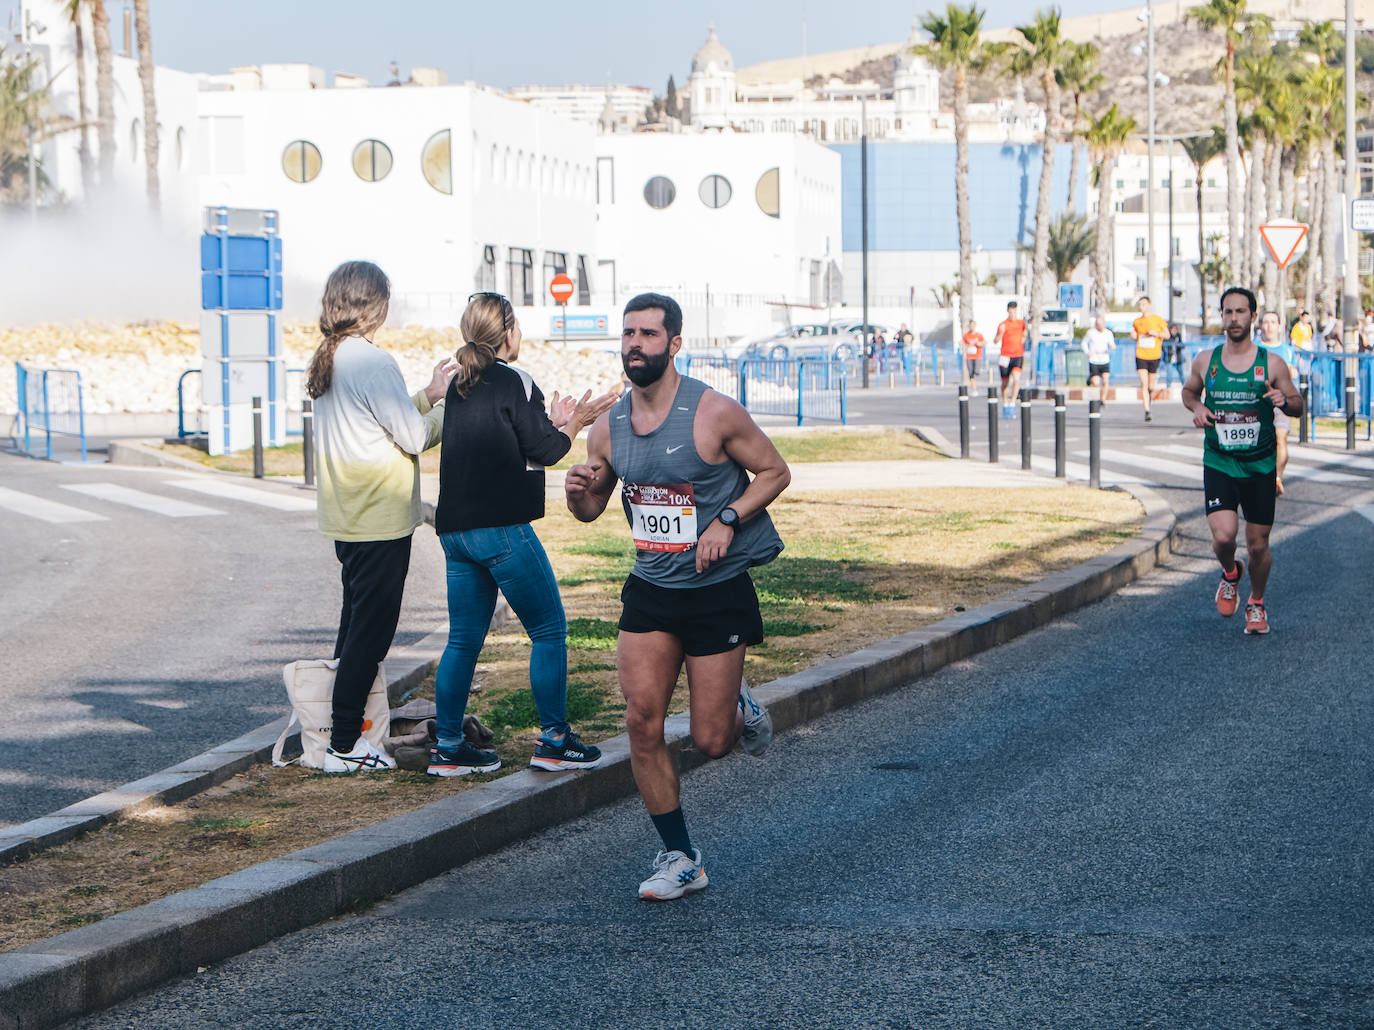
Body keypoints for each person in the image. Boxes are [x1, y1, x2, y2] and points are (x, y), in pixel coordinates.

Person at [564, 292, 790, 901]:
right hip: (651, 588)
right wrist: (578, 491)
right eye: (628, 333)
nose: (634, 344)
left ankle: (737, 706)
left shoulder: (714, 412)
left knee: (713, 741)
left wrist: (728, 521)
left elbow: (774, 472)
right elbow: (590, 510)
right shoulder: (609, 425)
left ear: (674, 343)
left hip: (716, 591)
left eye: (648, 334)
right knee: (642, 721)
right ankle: (681, 855)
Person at [428, 292, 618, 777]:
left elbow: (515, 443)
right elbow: (548, 450)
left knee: (463, 641)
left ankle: (448, 746)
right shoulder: (517, 379)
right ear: (509, 332)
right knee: (550, 629)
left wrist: (553, 425)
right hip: (501, 529)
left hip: (455, 532)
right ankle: (555, 740)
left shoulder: (459, 385)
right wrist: (575, 422)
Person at [307, 260, 454, 773]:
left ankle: (336, 732)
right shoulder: (373, 360)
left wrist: (428, 395)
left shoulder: (332, 357)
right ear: (377, 305)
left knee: (354, 631)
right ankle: (345, 746)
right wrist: (447, 407)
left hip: (348, 518)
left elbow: (380, 418)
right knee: (370, 636)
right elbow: (413, 437)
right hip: (379, 518)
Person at [1181, 286, 1302, 636]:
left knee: (1258, 544)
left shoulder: (1273, 364)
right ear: (1222, 317)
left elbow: (1298, 404)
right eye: (1228, 312)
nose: (1235, 318)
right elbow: (1189, 391)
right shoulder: (1207, 360)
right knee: (1223, 537)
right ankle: (1231, 573)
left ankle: (1257, 602)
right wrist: (1199, 407)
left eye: (1241, 311)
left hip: (1260, 465)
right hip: (1220, 460)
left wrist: (1283, 400)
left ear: (1252, 316)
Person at [1255, 310, 1292, 497]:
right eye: (1266, 322)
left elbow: (1292, 375)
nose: (1269, 326)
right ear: (1260, 325)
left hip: (1280, 401)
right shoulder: (1253, 348)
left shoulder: (1287, 350)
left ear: (1279, 326)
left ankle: (1277, 477)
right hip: (1257, 402)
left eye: (1273, 322)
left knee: (1280, 438)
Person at [1131, 295, 1168, 422]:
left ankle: (1149, 401)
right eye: (1140, 305)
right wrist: (1133, 335)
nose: (1141, 307)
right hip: (1141, 354)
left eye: (1143, 304)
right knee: (1144, 383)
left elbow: (1167, 335)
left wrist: (1156, 333)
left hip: (1154, 355)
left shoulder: (1158, 320)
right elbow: (1135, 334)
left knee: (1151, 386)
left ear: (1149, 305)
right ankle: (1147, 410)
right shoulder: (1137, 321)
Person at [994, 301, 1027, 418]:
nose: (1012, 313)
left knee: (1016, 378)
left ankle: (1012, 403)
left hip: (1017, 355)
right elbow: (996, 340)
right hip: (1005, 356)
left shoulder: (1021, 323)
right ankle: (1005, 403)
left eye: (1014, 310)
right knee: (1005, 383)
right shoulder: (1003, 324)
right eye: (1011, 310)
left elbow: (1025, 333)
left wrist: (1024, 338)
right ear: (1008, 311)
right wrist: (1001, 333)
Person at [1082, 313, 1115, 400]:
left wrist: (1112, 346)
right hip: (1094, 359)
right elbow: (1084, 343)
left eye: (1101, 324)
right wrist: (1087, 352)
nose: (1099, 326)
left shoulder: (1108, 333)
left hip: (1104, 358)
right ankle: (1090, 379)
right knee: (1096, 382)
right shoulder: (1091, 333)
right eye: (1098, 324)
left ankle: (1103, 399)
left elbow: (1112, 343)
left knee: (1105, 380)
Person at [962, 319, 985, 383]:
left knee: (976, 372)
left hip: (977, 356)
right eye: (970, 325)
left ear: (975, 326)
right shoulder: (966, 335)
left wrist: (980, 344)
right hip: (969, 356)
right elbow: (963, 343)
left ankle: (978, 374)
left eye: (973, 325)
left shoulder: (979, 335)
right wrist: (965, 345)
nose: (971, 327)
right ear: (969, 326)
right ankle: (974, 388)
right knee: (971, 373)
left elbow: (984, 342)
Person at [1165, 322, 1187, 386]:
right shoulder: (1167, 337)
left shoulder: (1178, 336)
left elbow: (1183, 345)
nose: (1174, 331)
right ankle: (1168, 387)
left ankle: (1184, 386)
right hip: (1169, 358)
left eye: (1175, 330)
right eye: (1173, 330)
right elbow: (1163, 347)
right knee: (1169, 375)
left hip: (1178, 358)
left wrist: (1179, 346)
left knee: (1181, 375)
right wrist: (1169, 352)